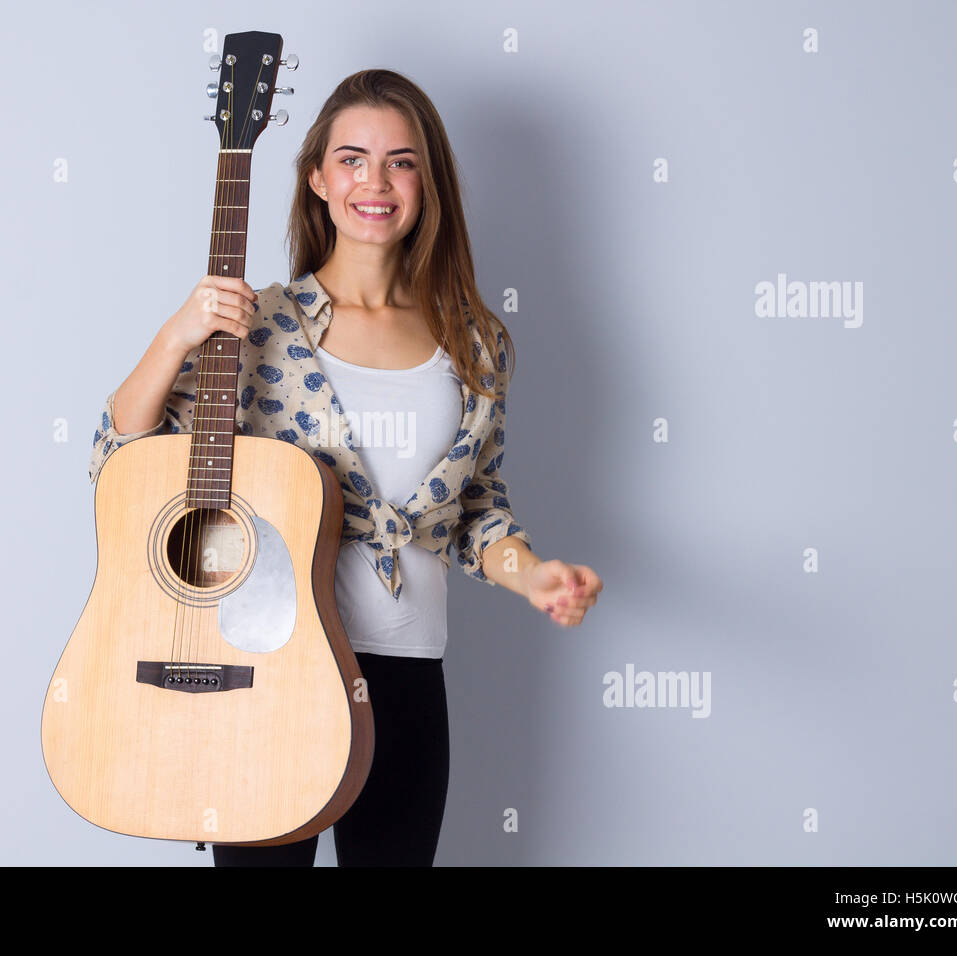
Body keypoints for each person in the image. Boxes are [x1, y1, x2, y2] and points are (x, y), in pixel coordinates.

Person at [91, 69, 602, 866]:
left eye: (401, 161)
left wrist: (532, 574)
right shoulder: (256, 326)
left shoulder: (476, 341)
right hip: (264, 667)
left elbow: (473, 512)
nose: (376, 180)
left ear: (427, 182)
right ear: (318, 179)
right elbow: (121, 460)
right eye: (353, 158)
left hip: (404, 673)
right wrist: (174, 337)